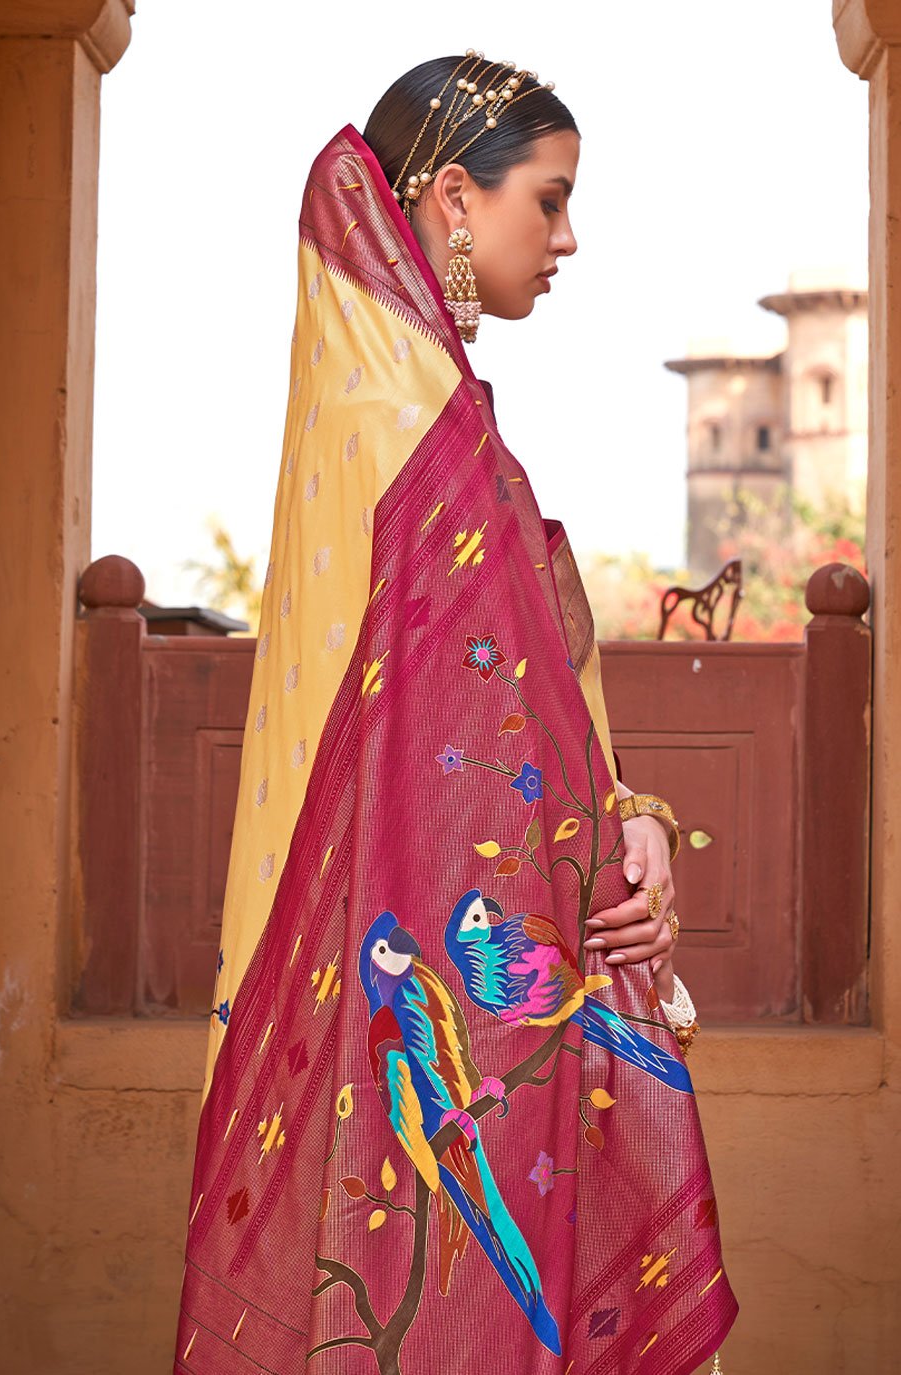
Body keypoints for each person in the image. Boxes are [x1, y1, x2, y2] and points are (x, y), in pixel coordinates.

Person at [175, 51, 738, 1375]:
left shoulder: (439, 412)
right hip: (447, 968)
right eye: (546, 200)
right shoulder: (403, 418)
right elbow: (453, 755)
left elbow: (526, 709)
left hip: (507, 941)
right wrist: (598, 852)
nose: (567, 236)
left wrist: (634, 825)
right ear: (448, 200)